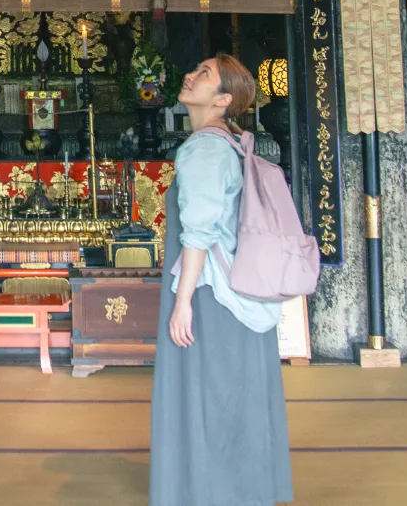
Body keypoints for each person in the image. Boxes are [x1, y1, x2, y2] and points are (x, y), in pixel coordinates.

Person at [150, 54, 293, 506]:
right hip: (238, 290)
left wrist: (183, 301)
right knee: (234, 391)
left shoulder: (205, 148)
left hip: (213, 294)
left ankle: (212, 492)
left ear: (223, 99)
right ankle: (237, 489)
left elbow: (199, 231)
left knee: (211, 395)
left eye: (204, 74)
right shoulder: (230, 143)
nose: (190, 75)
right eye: (195, 68)